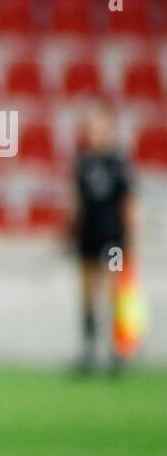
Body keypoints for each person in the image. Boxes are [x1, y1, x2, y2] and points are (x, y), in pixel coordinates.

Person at [71, 100, 137, 374]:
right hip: (89, 235)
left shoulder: (119, 163)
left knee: (113, 293)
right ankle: (89, 352)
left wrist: (130, 239)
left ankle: (117, 352)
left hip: (112, 238)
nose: (94, 133)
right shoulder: (83, 162)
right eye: (91, 127)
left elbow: (129, 204)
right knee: (87, 293)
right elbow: (77, 203)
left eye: (99, 126)